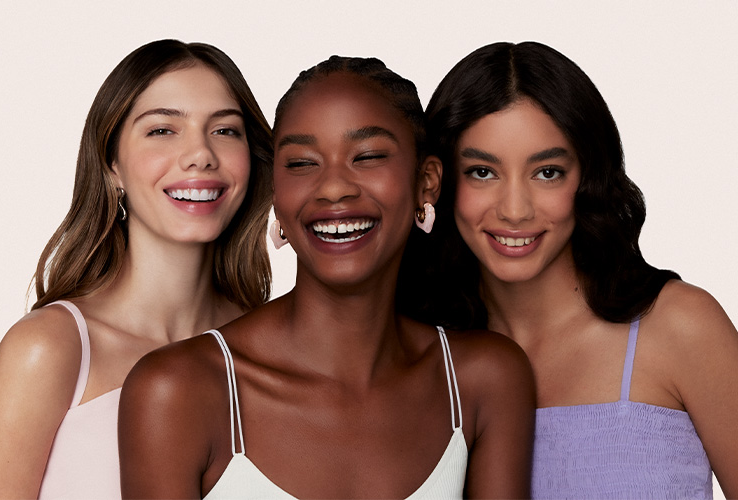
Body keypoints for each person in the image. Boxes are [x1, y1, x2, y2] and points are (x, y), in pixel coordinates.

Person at [118, 55, 535, 499]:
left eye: (368, 156)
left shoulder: (484, 379)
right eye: (301, 163)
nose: (334, 188)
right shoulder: (177, 391)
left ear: (426, 182)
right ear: (276, 191)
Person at [415, 41, 738, 498]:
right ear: (437, 182)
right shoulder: (420, 354)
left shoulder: (681, 328)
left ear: (588, 177)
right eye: (482, 172)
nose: (515, 210)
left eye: (547, 172)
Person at [0, 39, 273, 499]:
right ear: (112, 165)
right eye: (162, 130)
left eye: (225, 130)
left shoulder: (266, 349)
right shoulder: (50, 349)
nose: (200, 154)